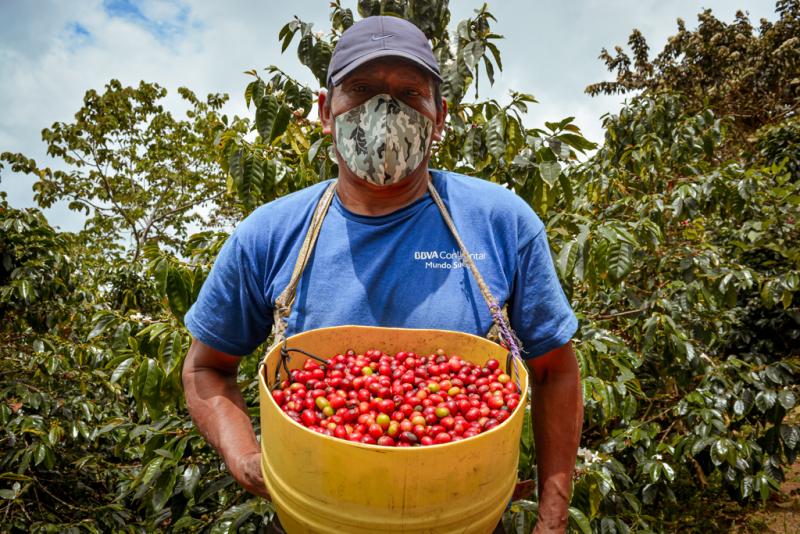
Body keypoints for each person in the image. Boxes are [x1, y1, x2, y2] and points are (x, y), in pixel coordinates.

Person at [182, 15, 583, 534]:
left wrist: (552, 518)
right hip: (317, 513)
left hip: (463, 514)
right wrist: (244, 457)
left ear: (440, 117)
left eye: (410, 93)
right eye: (363, 89)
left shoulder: (500, 222)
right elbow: (205, 369)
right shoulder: (269, 234)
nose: (385, 110)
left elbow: (555, 370)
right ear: (326, 112)